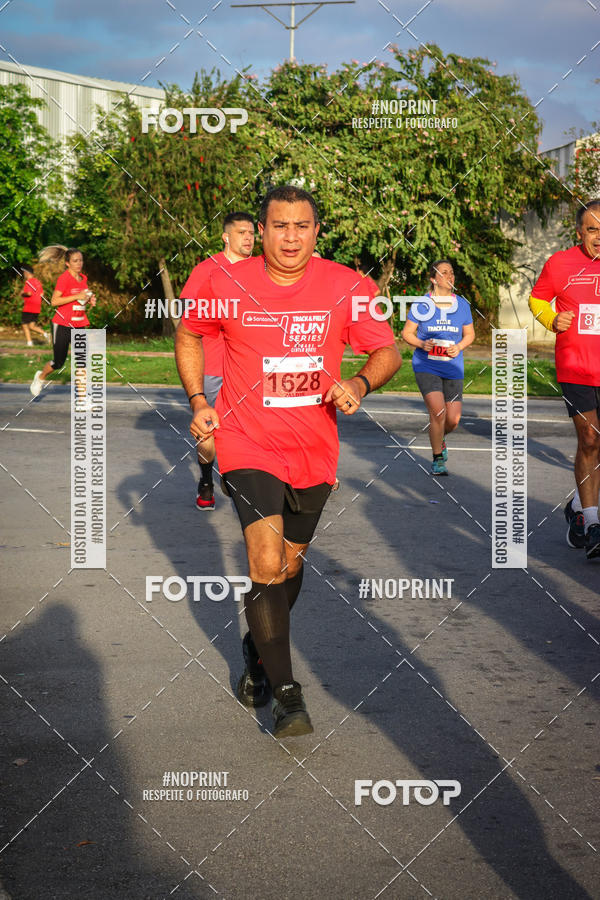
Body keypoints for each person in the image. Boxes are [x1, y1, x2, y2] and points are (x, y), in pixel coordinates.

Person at [175, 185, 401, 738]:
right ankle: (286, 693)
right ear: (262, 231)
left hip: (314, 450)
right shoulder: (224, 282)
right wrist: (199, 401)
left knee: (288, 568)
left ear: (316, 231)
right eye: (280, 226)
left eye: (302, 226)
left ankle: (257, 650)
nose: (291, 237)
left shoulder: (349, 285)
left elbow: (387, 350)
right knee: (263, 560)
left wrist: (359, 383)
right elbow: (189, 335)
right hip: (246, 442)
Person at [528, 199, 600, 560]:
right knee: (589, 439)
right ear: (579, 232)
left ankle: (577, 505)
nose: (599, 236)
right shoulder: (560, 263)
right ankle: (593, 524)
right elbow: (538, 299)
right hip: (576, 366)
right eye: (592, 229)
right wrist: (551, 319)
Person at [179, 212, 255, 509]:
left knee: (251, 431)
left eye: (251, 233)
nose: (248, 238)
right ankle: (207, 479)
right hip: (213, 367)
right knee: (209, 430)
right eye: (241, 232)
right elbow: (187, 320)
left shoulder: (261, 269)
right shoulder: (206, 270)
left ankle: (236, 475)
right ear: (226, 237)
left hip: (249, 368)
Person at [402, 260, 475, 476]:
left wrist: (459, 347)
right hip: (427, 365)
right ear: (433, 279)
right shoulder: (422, 304)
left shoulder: (462, 304)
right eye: (444, 273)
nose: (450, 276)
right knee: (438, 411)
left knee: (453, 420)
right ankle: (437, 459)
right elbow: (407, 333)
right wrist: (421, 344)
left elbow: (470, 334)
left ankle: (439, 438)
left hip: (452, 366)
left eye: (452, 272)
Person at [30, 247, 96, 397]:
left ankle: (82, 400)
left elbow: (81, 300)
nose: (79, 263)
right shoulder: (64, 279)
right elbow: (54, 301)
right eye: (75, 261)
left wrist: (89, 300)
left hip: (79, 324)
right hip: (62, 324)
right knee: (58, 362)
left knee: (82, 361)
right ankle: (40, 377)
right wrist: (77, 296)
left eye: (81, 260)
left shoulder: (83, 279)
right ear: (67, 263)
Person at [20, 265, 49, 346]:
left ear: (27, 273)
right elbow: (42, 294)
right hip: (37, 307)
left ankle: (29, 343)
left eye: (24, 272)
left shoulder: (29, 282)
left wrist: (22, 293)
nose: (24, 274)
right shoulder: (37, 282)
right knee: (31, 326)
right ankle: (45, 334)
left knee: (24, 324)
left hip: (29, 306)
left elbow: (29, 293)